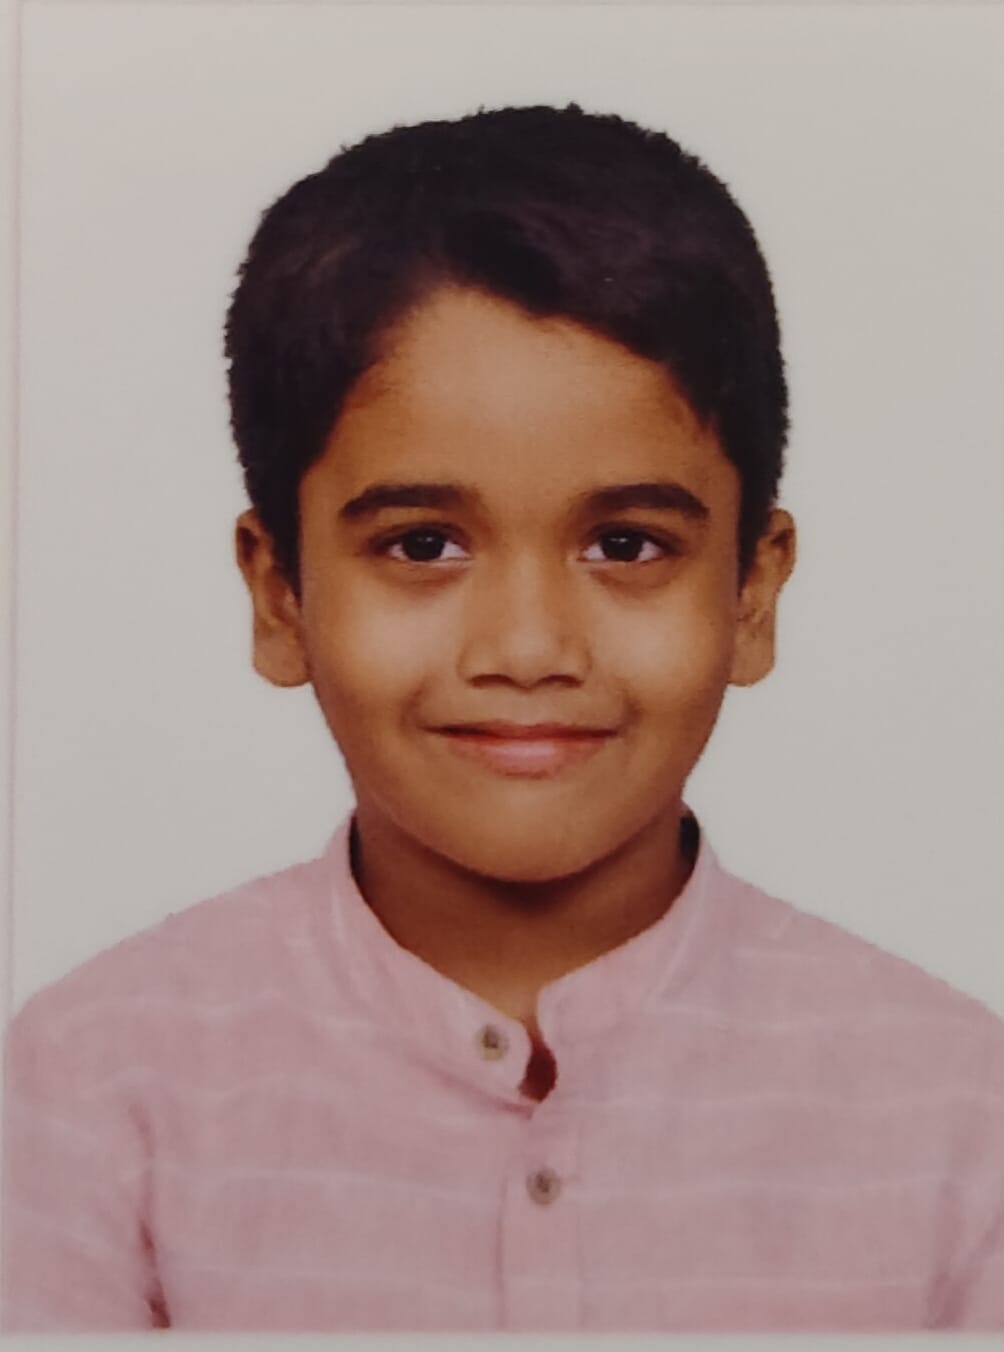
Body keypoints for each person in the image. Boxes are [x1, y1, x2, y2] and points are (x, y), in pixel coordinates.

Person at [2, 103, 1002, 1333]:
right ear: (280, 594)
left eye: (624, 544)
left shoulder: (961, 1117)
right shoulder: (88, 1092)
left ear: (750, 591)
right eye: (423, 544)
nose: (527, 649)